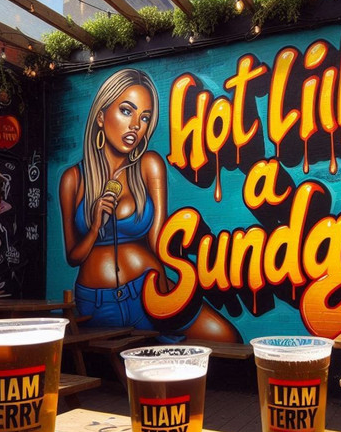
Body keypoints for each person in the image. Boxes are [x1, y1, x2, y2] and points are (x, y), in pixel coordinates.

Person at [59, 68, 240, 342]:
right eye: (126, 111)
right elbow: (73, 257)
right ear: (100, 116)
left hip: (151, 291)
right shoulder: (73, 179)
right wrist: (95, 228)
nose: (135, 125)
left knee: (227, 338)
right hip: (97, 304)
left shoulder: (149, 165)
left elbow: (157, 242)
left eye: (144, 117)